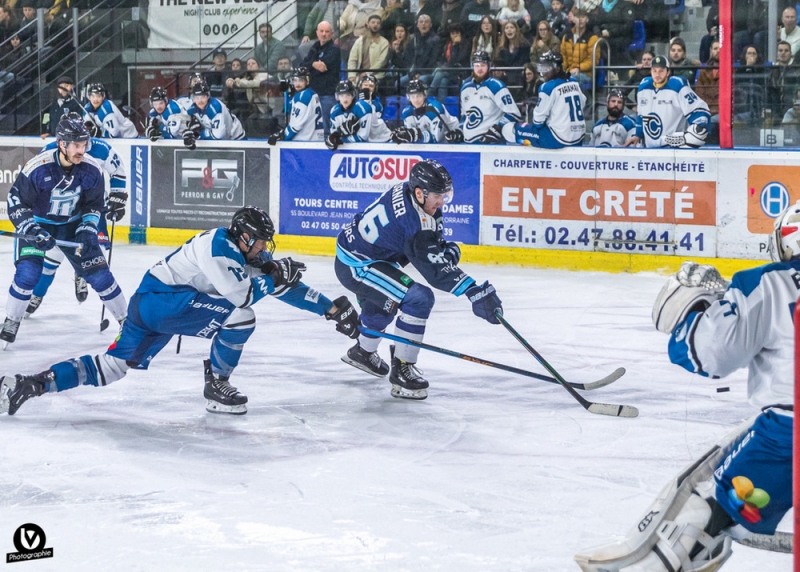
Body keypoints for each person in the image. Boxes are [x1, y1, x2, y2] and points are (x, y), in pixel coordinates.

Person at [577, 205, 796, 571]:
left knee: (706, 504)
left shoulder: (769, 282)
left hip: (789, 434)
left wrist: (697, 311)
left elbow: (708, 355)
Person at [0, 206, 362, 417]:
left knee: (114, 368)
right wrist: (274, 274)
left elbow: (280, 283)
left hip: (155, 302)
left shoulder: (245, 250)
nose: (267, 248)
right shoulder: (219, 247)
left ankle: (32, 384)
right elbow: (242, 296)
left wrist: (332, 308)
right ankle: (217, 383)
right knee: (240, 317)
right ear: (246, 238)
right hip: (165, 301)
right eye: (263, 242)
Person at [334, 159, 503, 400]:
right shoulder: (414, 221)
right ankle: (402, 368)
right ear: (420, 193)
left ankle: (363, 352)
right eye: (438, 196)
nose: (442, 202)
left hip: (366, 254)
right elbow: (433, 269)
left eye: (445, 195)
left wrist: (441, 249)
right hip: (358, 264)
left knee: (386, 302)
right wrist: (473, 291)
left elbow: (424, 246)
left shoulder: (411, 194)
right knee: (419, 299)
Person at [0, 114, 128, 347]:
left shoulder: (91, 169)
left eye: (84, 144)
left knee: (100, 274)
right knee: (29, 273)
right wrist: (31, 228)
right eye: (77, 145)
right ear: (62, 144)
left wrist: (88, 228)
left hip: (73, 225)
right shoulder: (38, 167)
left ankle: (128, 324)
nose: (82, 150)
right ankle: (11, 320)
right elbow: (16, 201)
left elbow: (93, 205)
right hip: (39, 224)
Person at [27, 114, 129, 317]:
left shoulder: (101, 148)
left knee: (94, 254)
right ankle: (37, 294)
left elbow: (118, 170)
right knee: (52, 257)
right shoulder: (49, 151)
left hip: (91, 208)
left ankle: (82, 273)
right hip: (64, 212)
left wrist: (118, 196)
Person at [626, 55, 711, 149]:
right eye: (654, 70)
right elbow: (641, 115)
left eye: (661, 71)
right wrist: (638, 134)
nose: (657, 74)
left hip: (673, 150)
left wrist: (699, 127)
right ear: (650, 71)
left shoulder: (677, 85)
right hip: (650, 149)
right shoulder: (643, 86)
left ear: (668, 72)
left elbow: (698, 110)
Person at [508, 50, 586, 147]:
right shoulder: (573, 81)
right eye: (541, 67)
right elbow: (583, 102)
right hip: (578, 138)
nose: (543, 72)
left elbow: (538, 121)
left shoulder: (547, 87)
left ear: (557, 69)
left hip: (558, 139)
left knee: (512, 129)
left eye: (547, 68)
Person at [449, 50, 521, 144]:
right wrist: (460, 131)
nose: (479, 69)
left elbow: (513, 114)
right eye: (477, 65)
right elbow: (465, 117)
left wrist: (498, 128)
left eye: (483, 65)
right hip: (468, 145)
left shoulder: (496, 86)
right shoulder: (465, 89)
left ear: (489, 66)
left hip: (489, 145)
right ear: (472, 66)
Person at [300, 20, 342, 136]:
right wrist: (314, 64)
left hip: (326, 94)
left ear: (331, 34)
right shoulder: (315, 47)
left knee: (328, 128)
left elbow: (323, 68)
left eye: (327, 31)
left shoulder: (334, 49)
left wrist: (310, 65)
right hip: (312, 95)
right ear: (317, 32)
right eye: (321, 31)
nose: (324, 34)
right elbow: (303, 64)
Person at [325, 79, 392, 150]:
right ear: (337, 97)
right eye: (341, 95)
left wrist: (341, 139)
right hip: (368, 146)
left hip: (385, 142)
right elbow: (335, 135)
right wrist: (335, 138)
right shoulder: (334, 111)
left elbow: (362, 138)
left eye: (348, 95)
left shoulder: (363, 108)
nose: (345, 99)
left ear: (353, 95)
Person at [391, 79, 459, 143]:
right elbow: (412, 139)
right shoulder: (407, 112)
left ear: (425, 95)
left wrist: (416, 135)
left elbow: (437, 139)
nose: (416, 100)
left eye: (419, 96)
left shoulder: (435, 108)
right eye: (412, 97)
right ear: (408, 97)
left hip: (454, 142)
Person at [268, 67, 324, 144]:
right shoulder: (311, 93)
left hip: (304, 141)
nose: (297, 84)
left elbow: (296, 126)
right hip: (316, 139)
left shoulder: (303, 96)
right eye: (295, 80)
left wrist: (282, 136)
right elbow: (290, 108)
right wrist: (287, 94)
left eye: (301, 81)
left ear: (307, 81)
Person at [184, 80, 245, 148]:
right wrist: (189, 134)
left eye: (203, 97)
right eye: (197, 98)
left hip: (235, 138)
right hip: (216, 141)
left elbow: (219, 134)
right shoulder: (191, 110)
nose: (200, 101)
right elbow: (185, 127)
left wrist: (199, 134)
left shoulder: (215, 108)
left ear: (208, 96)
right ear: (193, 99)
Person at [428, 23, 471, 102]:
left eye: (457, 33)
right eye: (452, 33)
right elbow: (442, 60)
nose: (455, 36)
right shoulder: (447, 45)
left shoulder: (466, 45)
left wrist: (456, 46)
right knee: (443, 81)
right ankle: (443, 105)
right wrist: (442, 66)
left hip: (459, 73)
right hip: (448, 72)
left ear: (461, 34)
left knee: (439, 72)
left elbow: (455, 60)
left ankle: (429, 93)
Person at [560, 8, 598, 86]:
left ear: (587, 19)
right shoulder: (566, 37)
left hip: (585, 73)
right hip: (569, 72)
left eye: (583, 17)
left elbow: (593, 61)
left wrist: (578, 68)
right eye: (577, 17)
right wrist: (564, 71)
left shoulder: (592, 38)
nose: (580, 19)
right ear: (573, 19)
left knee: (572, 79)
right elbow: (563, 57)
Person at [347, 14, 390, 81]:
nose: (375, 24)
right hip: (360, 77)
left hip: (377, 77)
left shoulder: (384, 42)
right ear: (368, 24)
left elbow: (381, 62)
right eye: (373, 22)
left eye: (378, 23)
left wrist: (367, 73)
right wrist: (352, 75)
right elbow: (352, 59)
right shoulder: (360, 41)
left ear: (380, 26)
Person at [494, 21, 530, 95]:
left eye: (511, 27)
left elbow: (526, 61)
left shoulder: (524, 45)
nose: (509, 30)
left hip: (520, 75)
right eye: (507, 28)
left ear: (516, 30)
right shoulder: (501, 48)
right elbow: (499, 62)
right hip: (506, 76)